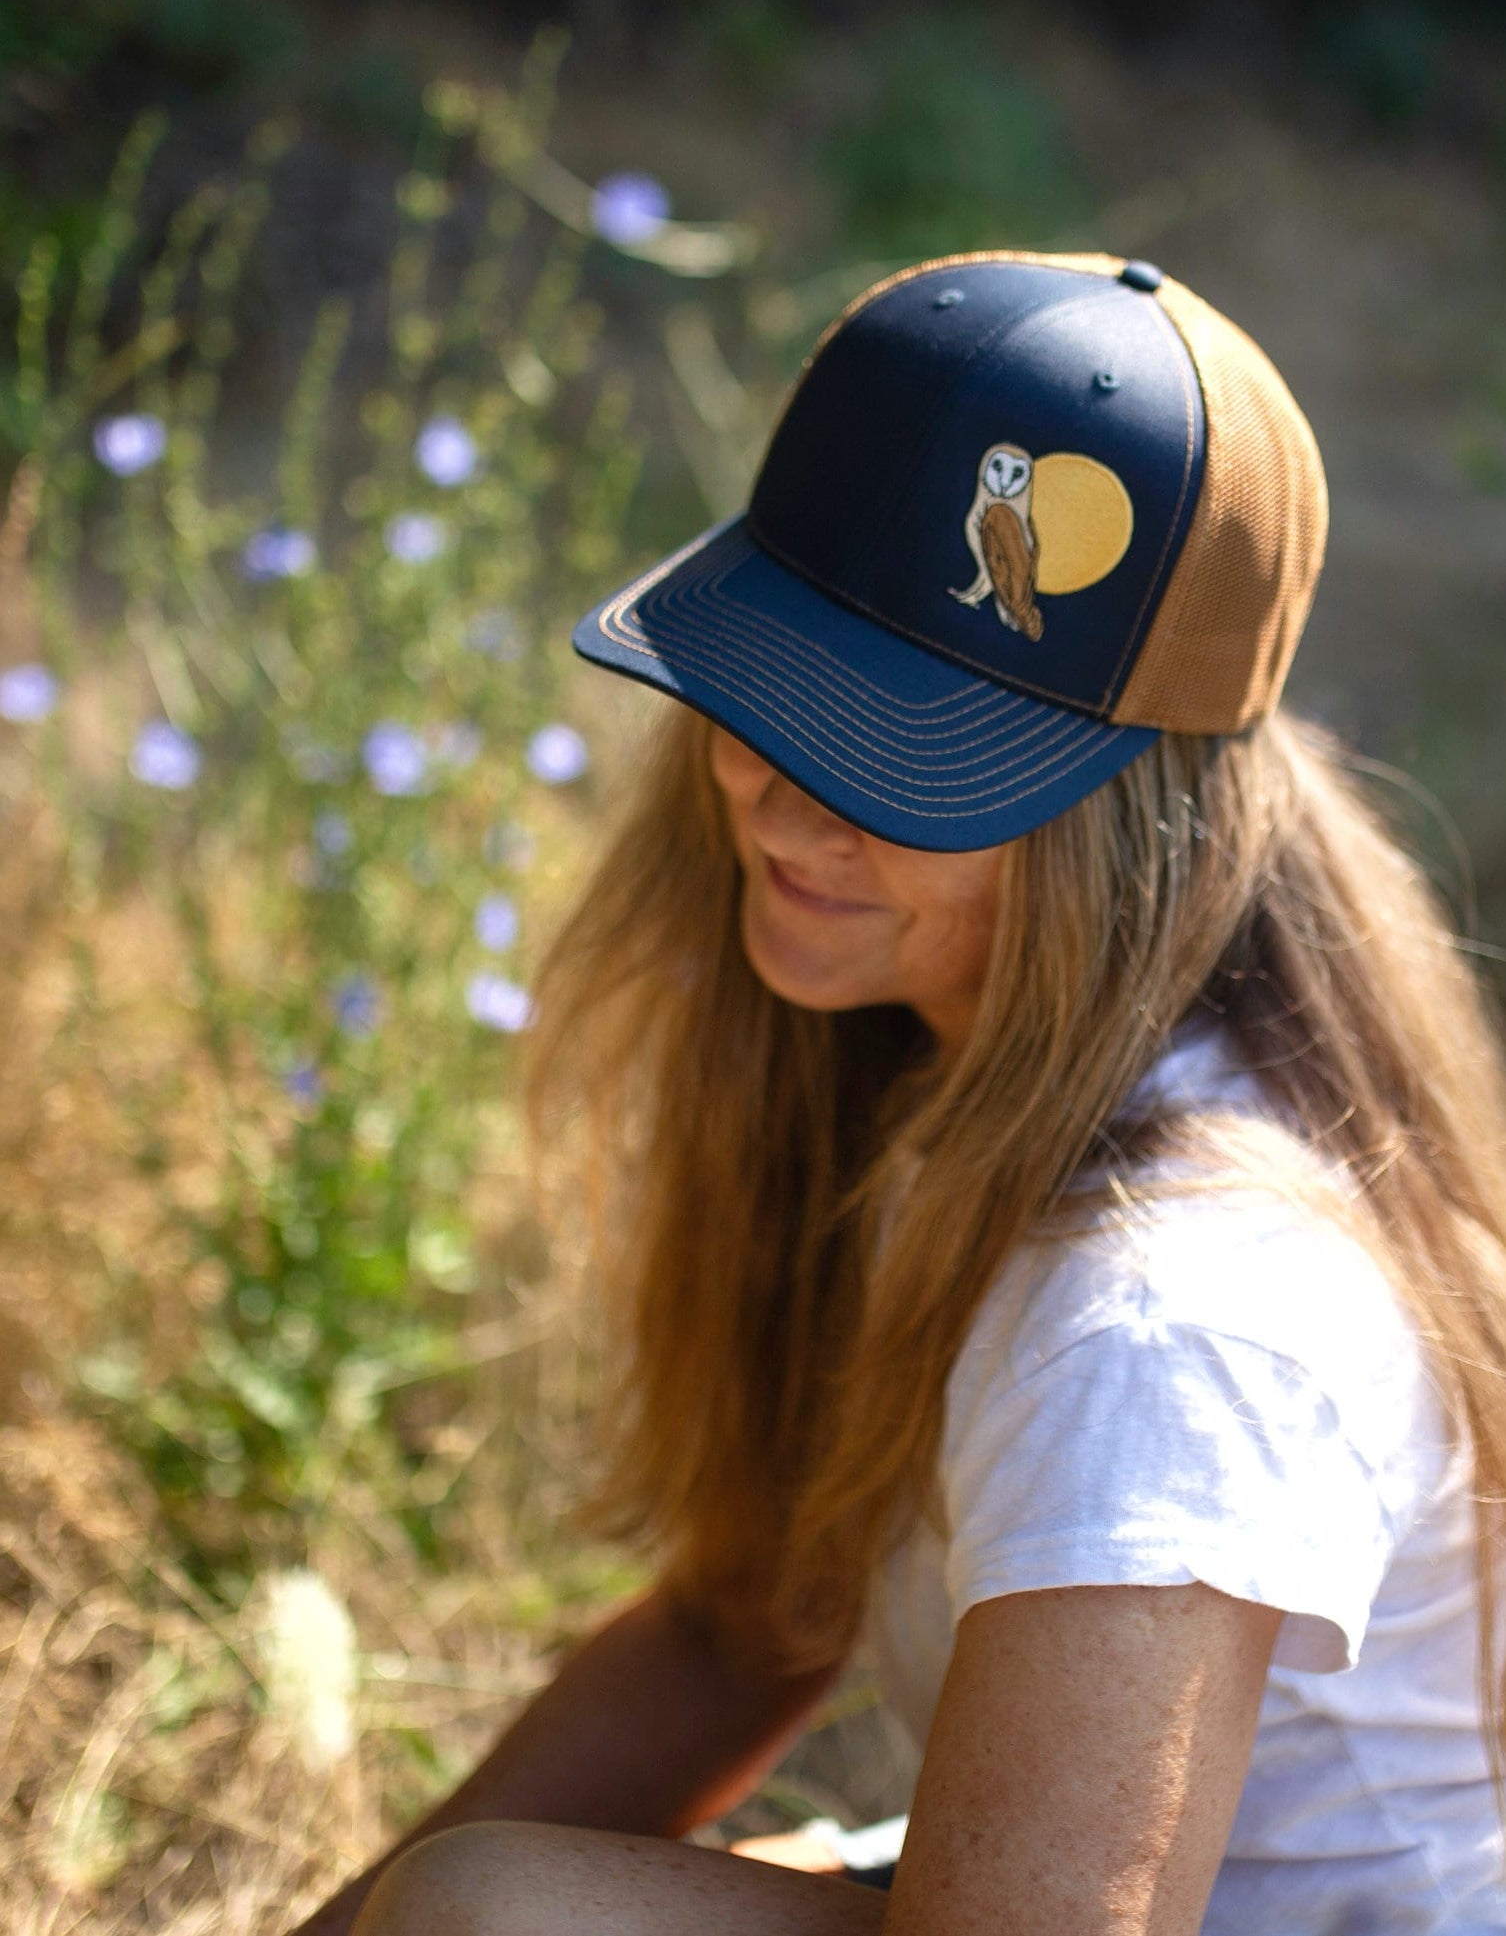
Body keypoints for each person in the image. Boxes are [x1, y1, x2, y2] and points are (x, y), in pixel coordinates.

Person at [297, 252, 1506, 1935]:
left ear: (1121, 815)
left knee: (492, 1917)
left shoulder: (1164, 1318)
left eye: (902, 758)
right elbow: (745, 1619)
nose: (789, 812)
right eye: (771, 697)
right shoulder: (926, 1056)